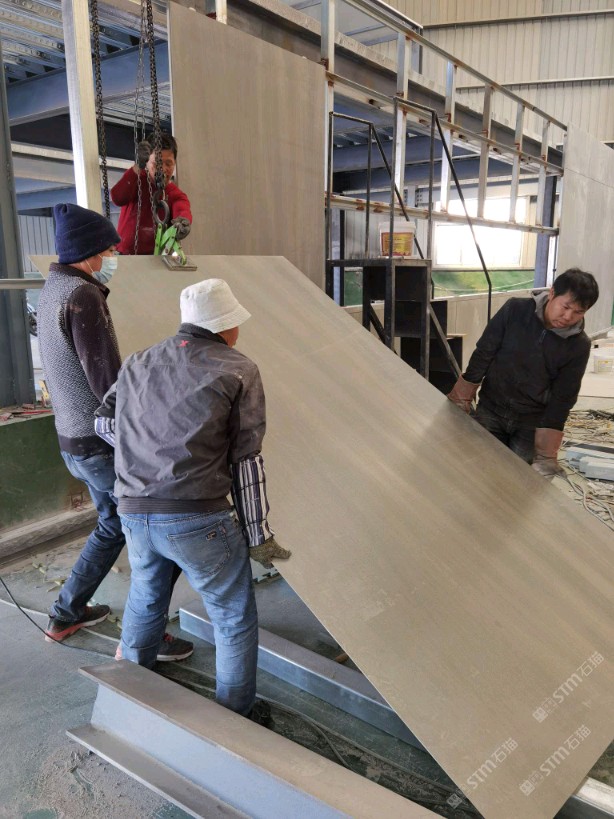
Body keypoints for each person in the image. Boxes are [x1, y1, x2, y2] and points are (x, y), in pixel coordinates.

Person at [95, 278, 291, 716]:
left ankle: (128, 700)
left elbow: (102, 422)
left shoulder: (139, 360)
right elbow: (246, 460)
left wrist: (145, 453)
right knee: (232, 617)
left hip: (135, 513)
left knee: (146, 598)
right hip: (198, 520)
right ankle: (235, 716)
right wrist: (258, 534)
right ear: (226, 326)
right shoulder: (238, 368)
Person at [37, 203, 194, 661]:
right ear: (88, 253)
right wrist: (147, 433)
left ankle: (67, 613)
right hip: (99, 444)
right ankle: (147, 637)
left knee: (112, 525)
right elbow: (107, 381)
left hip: (72, 441)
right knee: (154, 534)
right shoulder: (83, 296)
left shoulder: (52, 289)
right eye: (108, 249)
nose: (113, 256)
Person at [447, 268, 599, 477]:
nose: (568, 317)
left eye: (578, 312)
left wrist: (546, 453)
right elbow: (485, 351)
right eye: (565, 307)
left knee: (518, 481)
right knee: (478, 473)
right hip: (491, 408)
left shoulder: (579, 345)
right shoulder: (515, 310)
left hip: (531, 423)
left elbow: (564, 397)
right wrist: (462, 395)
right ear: (552, 293)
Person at [111, 133, 192, 256]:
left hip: (156, 260)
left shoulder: (175, 195)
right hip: (123, 256)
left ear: (175, 163)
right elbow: (117, 198)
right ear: (147, 162)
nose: (163, 169)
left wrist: (183, 221)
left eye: (168, 164)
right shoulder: (136, 180)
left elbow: (181, 208)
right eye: (157, 163)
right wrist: (137, 167)